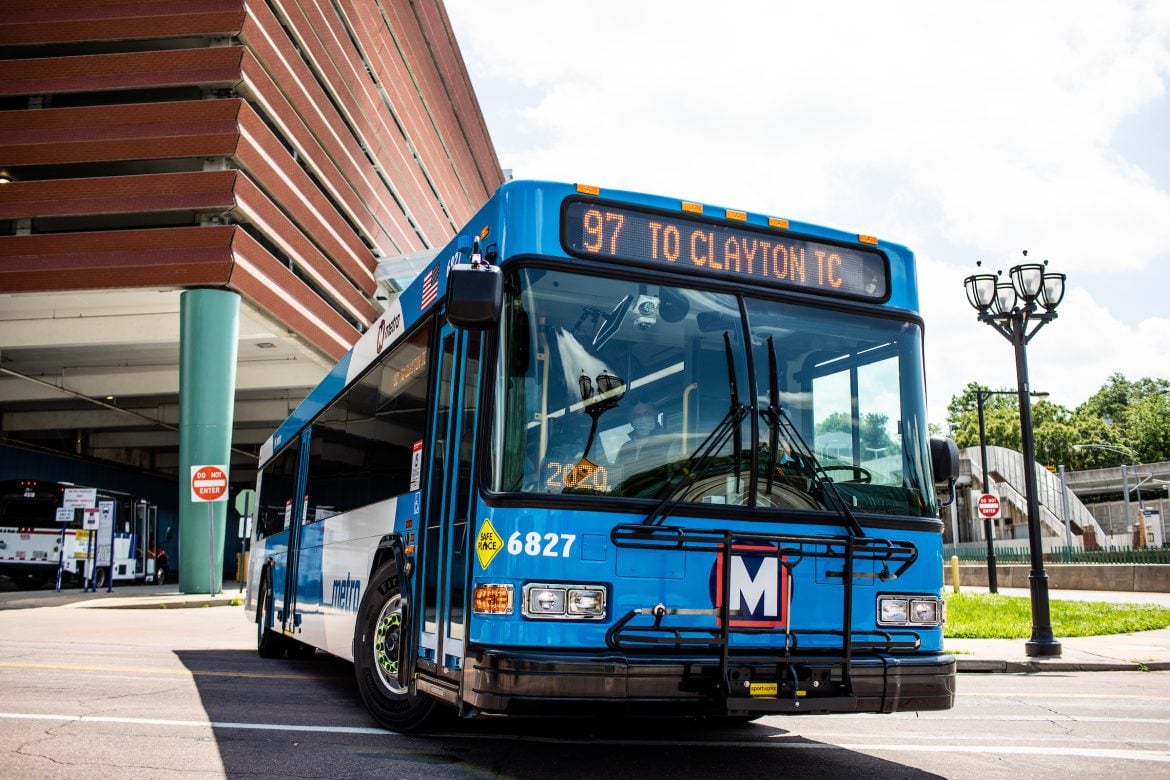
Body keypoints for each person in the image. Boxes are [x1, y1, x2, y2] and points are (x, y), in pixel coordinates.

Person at [618, 399, 679, 480]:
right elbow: (618, 476)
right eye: (637, 416)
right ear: (630, 420)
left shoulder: (671, 440)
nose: (643, 418)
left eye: (647, 413)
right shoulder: (625, 448)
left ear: (656, 414)